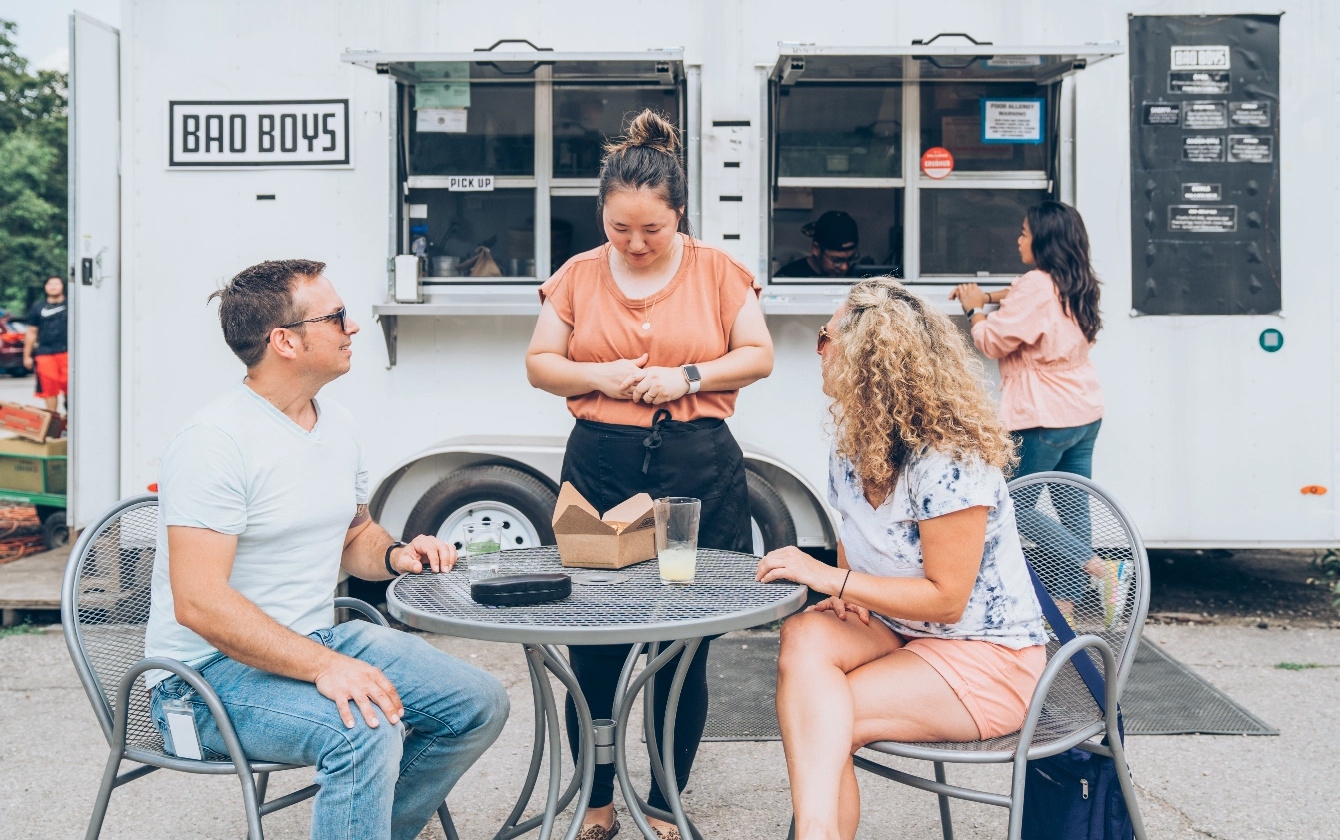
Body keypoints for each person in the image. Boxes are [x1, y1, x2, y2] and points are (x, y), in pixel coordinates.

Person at [144, 259, 509, 840]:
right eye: (337, 316)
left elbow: (355, 537)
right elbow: (199, 603)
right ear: (285, 341)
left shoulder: (337, 424)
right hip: (204, 677)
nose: (353, 327)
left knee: (479, 702)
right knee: (362, 731)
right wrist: (327, 666)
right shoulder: (212, 443)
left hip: (317, 637)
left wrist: (396, 555)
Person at [526, 110, 774, 840]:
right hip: (599, 466)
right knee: (593, 637)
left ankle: (665, 801)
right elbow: (541, 365)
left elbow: (756, 354)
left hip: (696, 464)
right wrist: (597, 372)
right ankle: (598, 800)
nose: (634, 244)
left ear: (679, 214)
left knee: (684, 643)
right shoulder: (576, 275)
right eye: (619, 229)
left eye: (651, 231)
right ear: (602, 214)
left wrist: (689, 375)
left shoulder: (718, 271)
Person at [754, 277, 1046, 840]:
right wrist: (846, 590)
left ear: (865, 360)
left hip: (986, 654)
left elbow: (947, 599)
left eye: (825, 339)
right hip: (900, 628)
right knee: (804, 638)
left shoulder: (948, 458)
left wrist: (831, 579)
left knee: (823, 716)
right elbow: (855, 537)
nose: (817, 350)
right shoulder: (852, 444)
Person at [950, 200, 1108, 618]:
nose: (1019, 239)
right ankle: (1068, 607)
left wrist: (975, 310)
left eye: (1024, 232)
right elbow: (1025, 294)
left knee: (1009, 505)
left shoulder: (1036, 284)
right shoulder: (1076, 278)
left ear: (1043, 240)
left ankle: (1095, 565)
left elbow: (993, 342)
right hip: (1084, 411)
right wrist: (990, 295)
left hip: (1042, 416)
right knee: (1074, 508)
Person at [24, 275, 68, 413]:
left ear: (63, 286)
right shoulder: (38, 307)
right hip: (45, 354)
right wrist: (27, 356)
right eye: (50, 284)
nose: (53, 286)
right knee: (49, 390)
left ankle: (71, 421)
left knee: (71, 387)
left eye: (57, 283)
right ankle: (53, 423)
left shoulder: (72, 304)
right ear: (45, 287)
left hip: (68, 352)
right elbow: (32, 332)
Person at [775, 210, 860, 278]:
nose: (844, 267)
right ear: (816, 249)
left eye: (850, 259)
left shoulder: (857, 276)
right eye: (837, 261)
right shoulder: (789, 277)